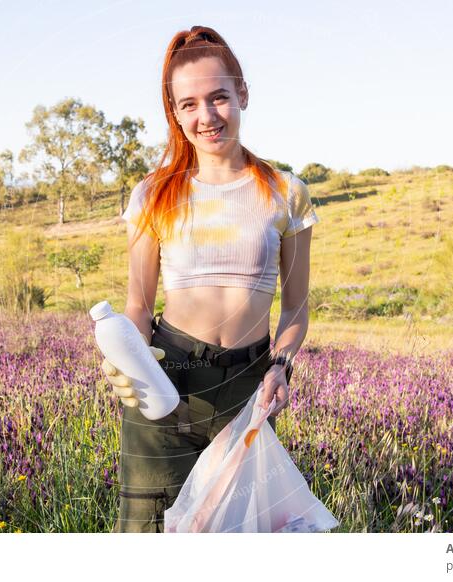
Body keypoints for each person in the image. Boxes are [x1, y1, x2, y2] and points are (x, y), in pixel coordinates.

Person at [102, 25, 319, 533]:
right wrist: (127, 359)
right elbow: (137, 303)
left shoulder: (287, 193)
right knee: (150, 534)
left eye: (219, 97)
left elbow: (295, 308)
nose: (206, 116)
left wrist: (281, 367)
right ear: (175, 112)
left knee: (238, 535)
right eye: (189, 104)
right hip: (166, 380)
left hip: (249, 386)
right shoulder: (152, 194)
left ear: (242, 94)